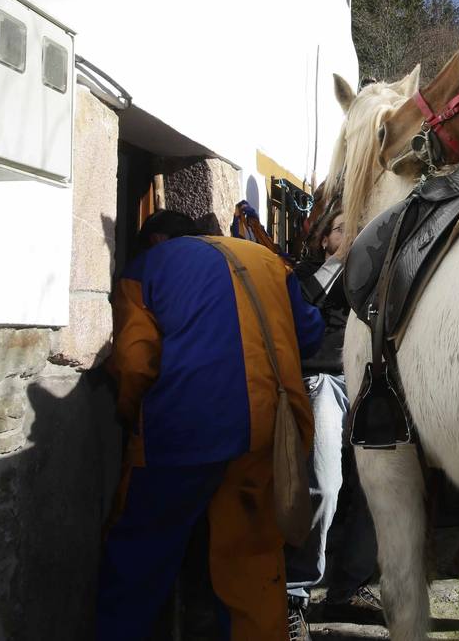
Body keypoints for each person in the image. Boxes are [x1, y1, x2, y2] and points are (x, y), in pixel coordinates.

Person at [98, 209, 324, 641]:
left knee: (139, 559)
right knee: (252, 560)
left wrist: (129, 417)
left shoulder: (146, 267)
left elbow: (135, 363)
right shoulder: (264, 258)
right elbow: (308, 334)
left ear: (157, 239)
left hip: (180, 435)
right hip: (265, 430)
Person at [282, 209, 382, 622]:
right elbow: (300, 306)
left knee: (375, 488)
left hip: (370, 384)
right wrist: (337, 262)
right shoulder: (303, 275)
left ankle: (349, 588)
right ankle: (294, 595)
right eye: (342, 230)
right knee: (324, 486)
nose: (353, 236)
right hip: (323, 383)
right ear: (324, 239)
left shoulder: (372, 273)